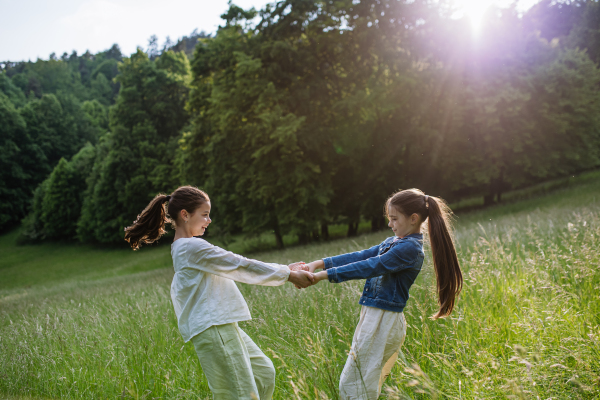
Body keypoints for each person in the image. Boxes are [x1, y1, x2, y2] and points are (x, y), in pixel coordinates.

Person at [124, 185, 314, 400]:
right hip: (213, 328)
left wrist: (285, 270)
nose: (209, 220)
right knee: (242, 395)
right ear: (185, 215)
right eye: (204, 215)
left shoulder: (187, 247)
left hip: (222, 325)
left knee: (263, 373)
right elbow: (240, 264)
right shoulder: (190, 248)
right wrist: (287, 274)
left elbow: (238, 264)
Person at [306, 188, 463, 400]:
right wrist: (319, 263)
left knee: (355, 384)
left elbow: (372, 266)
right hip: (374, 316)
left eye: (394, 219)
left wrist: (322, 276)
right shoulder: (394, 242)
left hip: (383, 321)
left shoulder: (410, 249)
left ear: (414, 219)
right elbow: (363, 255)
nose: (390, 224)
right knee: (358, 383)